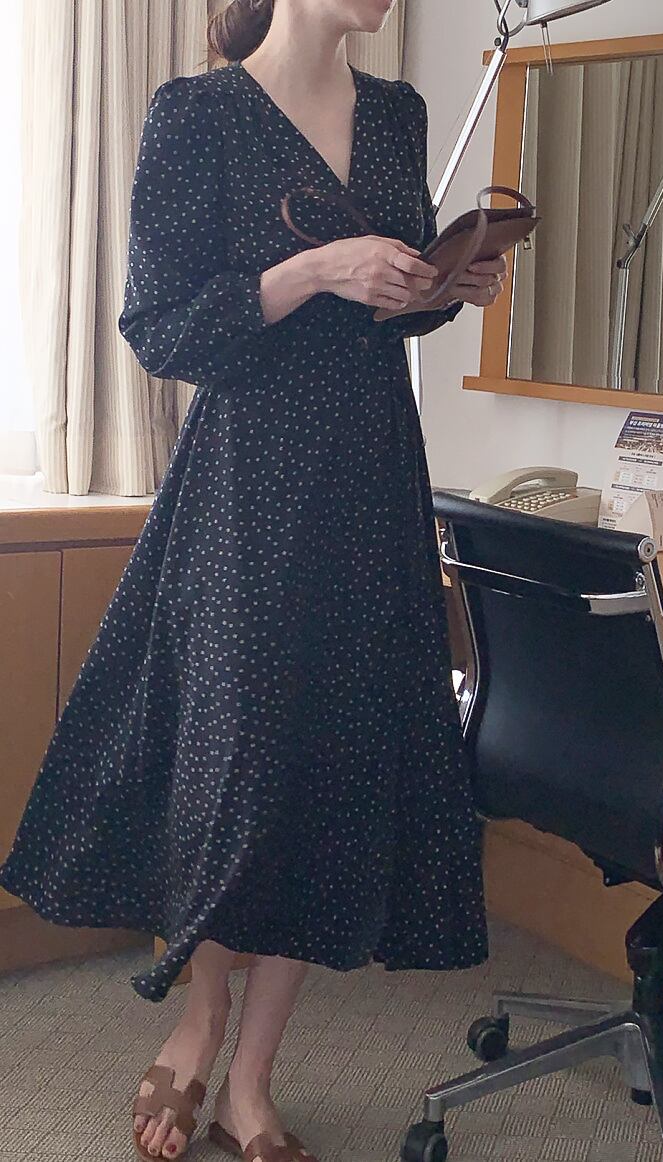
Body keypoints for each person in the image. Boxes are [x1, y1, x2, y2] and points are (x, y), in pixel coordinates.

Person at [0, 0, 508, 1159]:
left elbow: (387, 317)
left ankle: (251, 1077)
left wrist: (441, 288)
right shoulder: (197, 115)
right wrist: (317, 268)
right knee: (230, 757)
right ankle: (200, 1019)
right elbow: (161, 327)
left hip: (369, 475)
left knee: (329, 766)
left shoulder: (397, 114)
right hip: (247, 479)